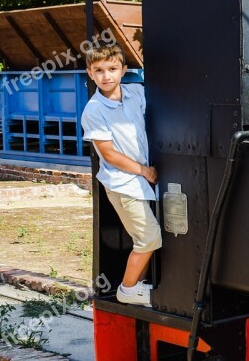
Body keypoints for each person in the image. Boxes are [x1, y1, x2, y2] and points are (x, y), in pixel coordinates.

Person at [81, 44, 160, 307]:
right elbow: (110, 154)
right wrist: (144, 171)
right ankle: (127, 289)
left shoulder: (135, 92)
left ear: (124, 70)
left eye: (112, 69)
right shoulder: (94, 110)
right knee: (148, 237)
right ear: (90, 74)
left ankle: (138, 285)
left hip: (138, 181)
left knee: (147, 236)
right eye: (99, 70)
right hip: (123, 183)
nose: (106, 76)